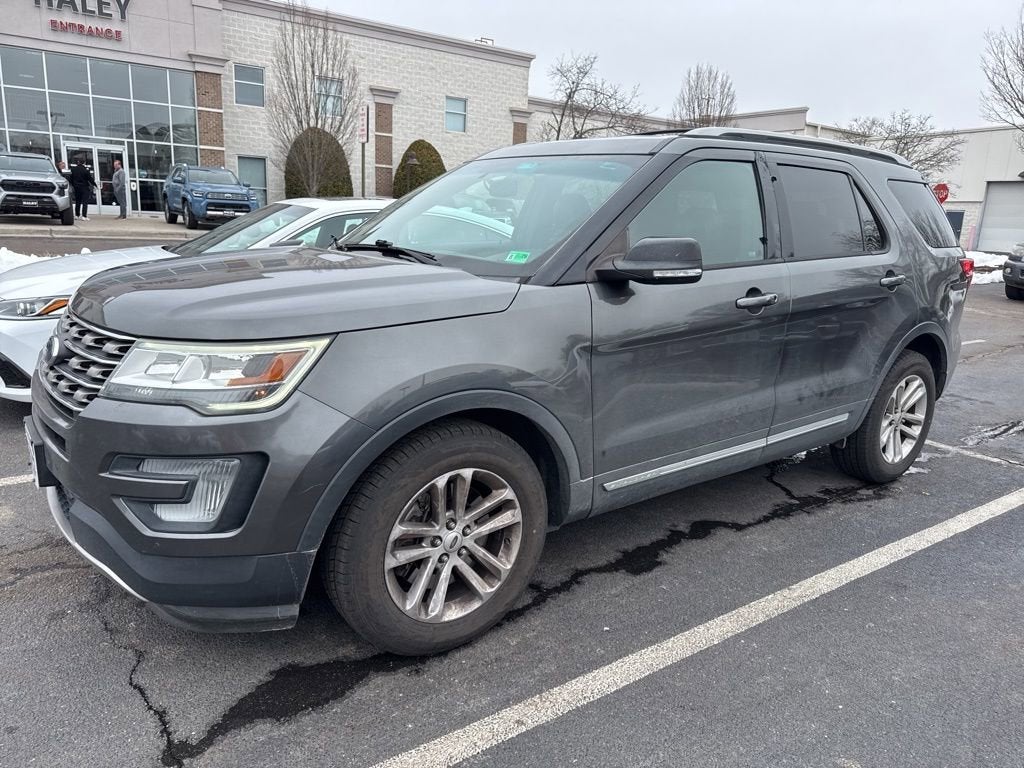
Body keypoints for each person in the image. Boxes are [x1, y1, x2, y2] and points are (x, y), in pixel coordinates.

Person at [69, 156, 96, 221]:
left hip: (77, 187)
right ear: (84, 162)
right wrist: (94, 185)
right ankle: (84, 216)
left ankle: (77, 215)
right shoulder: (85, 170)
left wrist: (74, 185)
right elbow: (89, 178)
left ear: (78, 162)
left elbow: (71, 179)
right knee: (85, 202)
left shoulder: (74, 169)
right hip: (84, 187)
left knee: (77, 201)